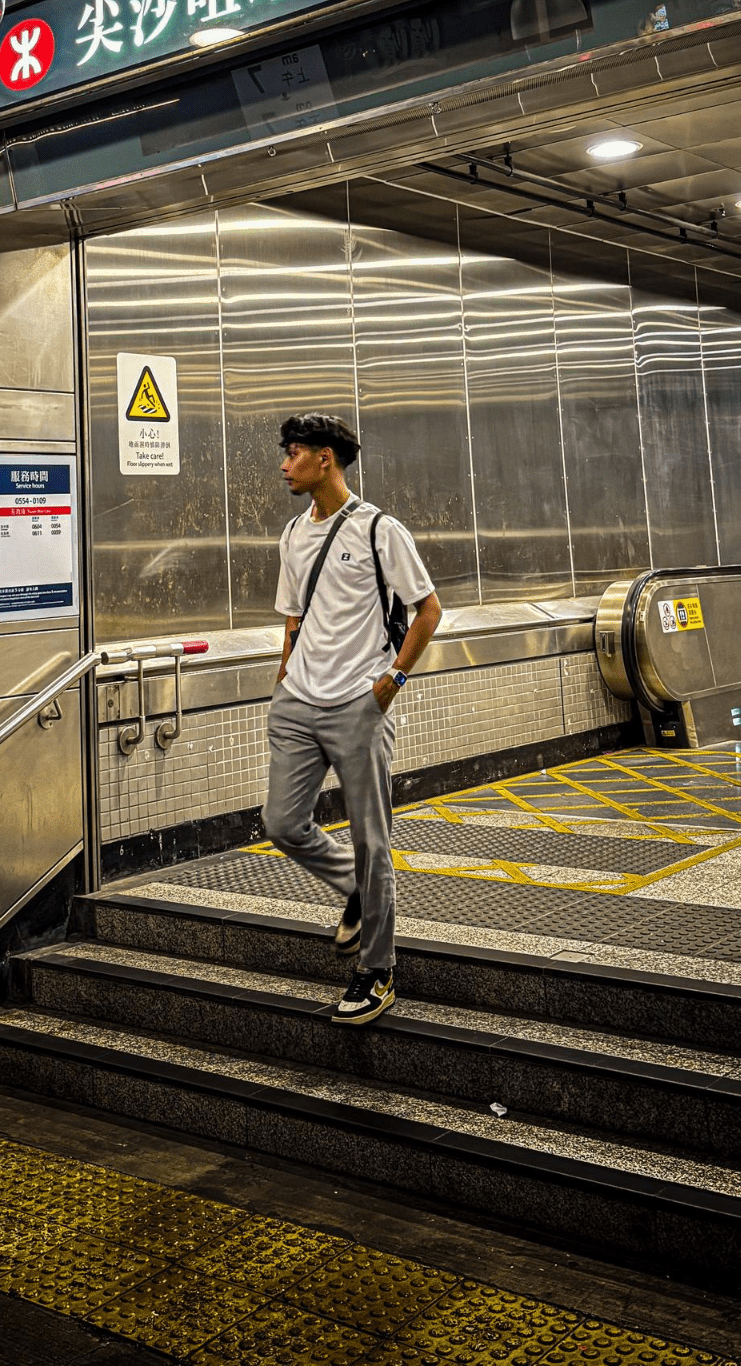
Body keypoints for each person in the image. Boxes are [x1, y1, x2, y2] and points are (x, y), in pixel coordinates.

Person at [265, 412, 441, 1027]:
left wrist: (390, 680)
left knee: (372, 838)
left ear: (325, 460)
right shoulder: (291, 534)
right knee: (282, 822)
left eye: (293, 454)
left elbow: (428, 610)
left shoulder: (378, 530)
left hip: (358, 705)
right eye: (285, 454)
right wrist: (284, 677)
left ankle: (377, 968)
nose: (285, 464)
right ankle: (361, 892)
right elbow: (293, 615)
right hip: (298, 702)